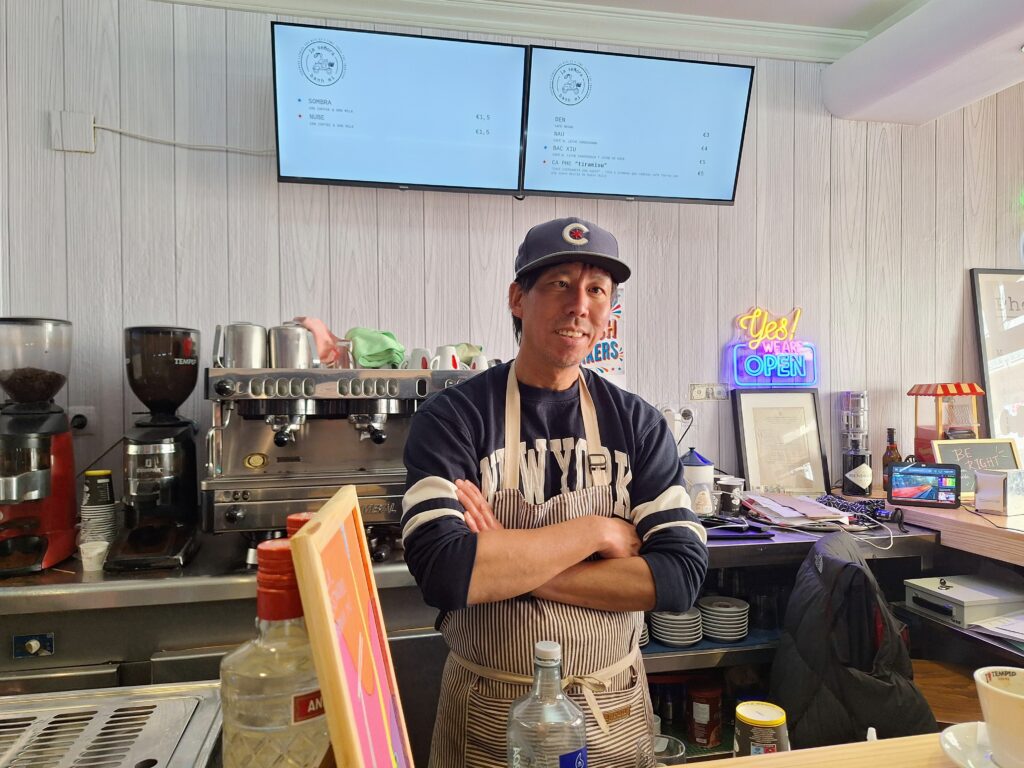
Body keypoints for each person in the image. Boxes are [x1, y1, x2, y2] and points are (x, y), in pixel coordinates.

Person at [402, 216, 709, 767]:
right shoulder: (454, 418)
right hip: (489, 715)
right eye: (559, 285)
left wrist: (507, 561)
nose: (579, 306)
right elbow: (446, 573)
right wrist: (597, 532)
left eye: (597, 290)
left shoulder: (637, 423)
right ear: (518, 299)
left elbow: (679, 577)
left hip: (609, 711)